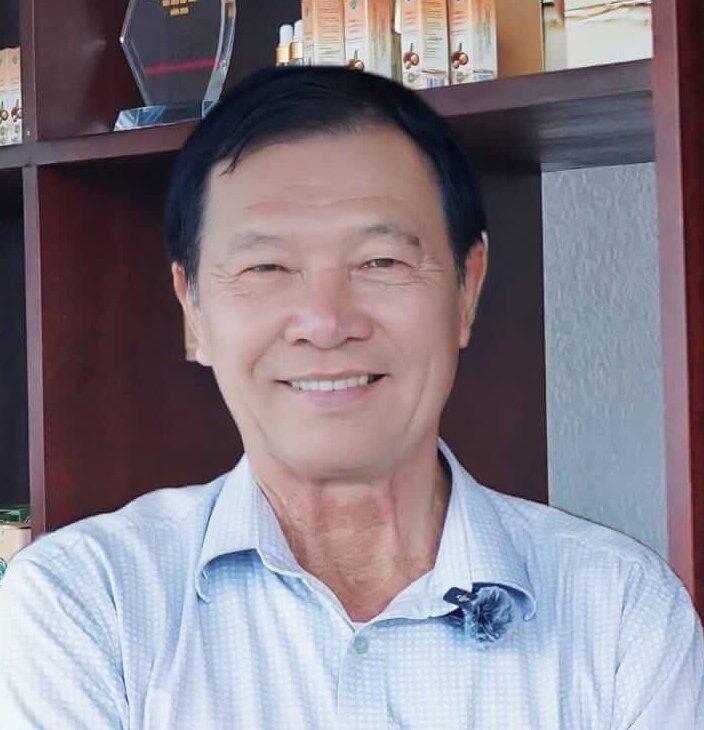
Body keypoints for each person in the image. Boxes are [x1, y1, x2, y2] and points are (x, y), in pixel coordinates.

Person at [0, 66, 702, 729]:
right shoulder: (88, 601)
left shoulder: (618, 609)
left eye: (380, 261)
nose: (326, 322)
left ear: (468, 288)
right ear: (193, 310)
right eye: (266, 266)